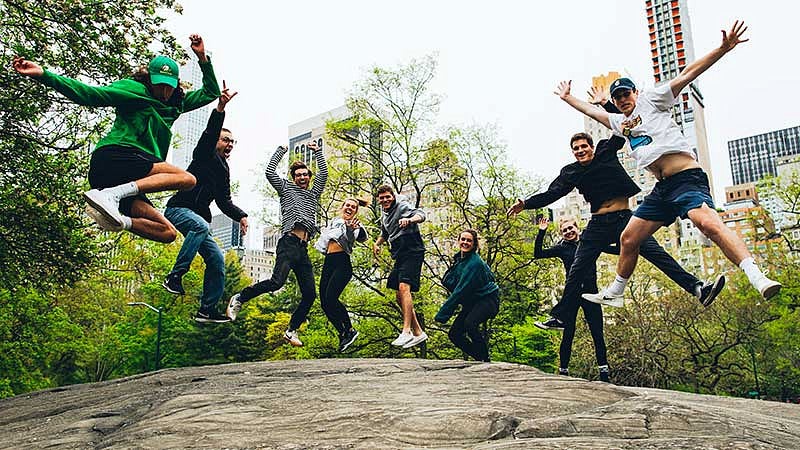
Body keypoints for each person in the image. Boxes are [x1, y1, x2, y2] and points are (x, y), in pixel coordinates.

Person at [555, 21, 780, 303]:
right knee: (629, 238)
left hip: (686, 179)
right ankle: (616, 292)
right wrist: (567, 98)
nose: (623, 99)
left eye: (626, 94)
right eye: (618, 97)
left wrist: (722, 49)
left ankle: (757, 276)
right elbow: (589, 108)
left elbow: (687, 74)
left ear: (635, 93)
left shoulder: (652, 100)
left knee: (707, 223)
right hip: (662, 189)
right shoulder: (618, 122)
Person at [507, 92, 722, 331]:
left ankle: (697, 288)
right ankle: (561, 317)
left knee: (656, 253)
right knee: (577, 269)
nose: (580, 151)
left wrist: (606, 104)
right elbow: (551, 194)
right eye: (576, 149)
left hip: (624, 219)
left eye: (583, 146)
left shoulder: (606, 150)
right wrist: (525, 203)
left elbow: (623, 124)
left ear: (591, 146)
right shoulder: (571, 172)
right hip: (598, 224)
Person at [12, 35, 220, 243]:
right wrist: (43, 74)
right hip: (117, 156)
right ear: (148, 79)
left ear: (176, 85)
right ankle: (111, 195)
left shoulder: (177, 104)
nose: (164, 92)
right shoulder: (133, 90)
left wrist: (202, 57)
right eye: (158, 85)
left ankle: (117, 218)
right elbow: (89, 95)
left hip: (129, 174)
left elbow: (211, 92)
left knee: (167, 233)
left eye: (169, 86)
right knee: (187, 179)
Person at [226, 143, 327, 348]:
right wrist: (281, 151)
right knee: (276, 282)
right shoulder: (286, 189)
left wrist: (317, 152)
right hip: (288, 243)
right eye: (298, 175)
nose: (302, 177)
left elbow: (323, 175)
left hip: (303, 248)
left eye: (305, 175)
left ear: (309, 177)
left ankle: (291, 330)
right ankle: (239, 297)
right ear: (293, 177)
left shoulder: (313, 194)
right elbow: (269, 172)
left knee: (310, 294)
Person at [161, 83, 247, 323]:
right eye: (225, 140)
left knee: (217, 260)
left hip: (199, 218)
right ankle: (174, 277)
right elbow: (210, 133)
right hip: (178, 210)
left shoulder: (224, 169)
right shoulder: (203, 154)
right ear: (216, 142)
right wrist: (220, 108)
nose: (229, 144)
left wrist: (241, 215)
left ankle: (206, 310)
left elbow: (224, 200)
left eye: (232, 142)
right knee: (200, 226)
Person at [533, 217, 610, 382]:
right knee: (568, 333)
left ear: (577, 228)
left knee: (597, 332)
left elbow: (609, 245)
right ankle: (563, 370)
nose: (568, 232)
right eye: (564, 230)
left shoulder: (589, 242)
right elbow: (538, 254)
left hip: (591, 294)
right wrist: (542, 231)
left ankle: (604, 371)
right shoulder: (562, 249)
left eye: (570, 228)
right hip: (572, 296)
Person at [373, 185, 428, 349]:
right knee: (399, 295)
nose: (385, 200)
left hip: (412, 250)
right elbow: (385, 233)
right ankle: (418, 331)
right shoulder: (385, 215)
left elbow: (421, 215)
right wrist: (377, 244)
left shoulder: (403, 206)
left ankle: (406, 331)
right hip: (399, 255)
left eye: (388, 197)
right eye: (382, 198)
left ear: (393, 196)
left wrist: (410, 220)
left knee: (404, 287)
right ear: (379, 200)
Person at [434, 229, 499, 362]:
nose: (465, 242)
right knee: (454, 334)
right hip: (474, 302)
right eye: (463, 239)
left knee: (470, 323)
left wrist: (442, 315)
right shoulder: (460, 260)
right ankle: (479, 356)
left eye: (469, 240)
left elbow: (460, 291)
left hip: (487, 301)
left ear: (474, 244)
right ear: (458, 241)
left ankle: (484, 358)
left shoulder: (474, 263)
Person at [314, 198, 369, 352]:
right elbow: (324, 238)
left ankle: (350, 329)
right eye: (347, 205)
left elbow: (352, 238)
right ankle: (343, 332)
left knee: (331, 297)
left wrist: (350, 229)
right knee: (324, 302)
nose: (349, 208)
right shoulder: (335, 221)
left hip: (342, 263)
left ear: (356, 211)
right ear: (342, 207)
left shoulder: (356, 224)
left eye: (353, 207)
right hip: (329, 262)